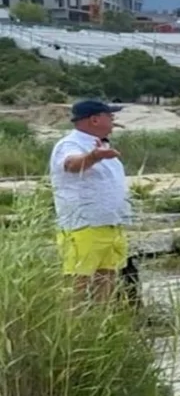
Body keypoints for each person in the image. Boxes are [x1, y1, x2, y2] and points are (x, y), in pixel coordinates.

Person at [49, 99, 131, 300]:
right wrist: (94, 157)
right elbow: (71, 164)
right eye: (109, 115)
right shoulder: (70, 144)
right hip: (84, 227)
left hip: (110, 225)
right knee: (78, 284)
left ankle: (101, 318)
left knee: (107, 282)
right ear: (94, 119)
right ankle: (73, 320)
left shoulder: (100, 144)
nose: (113, 120)